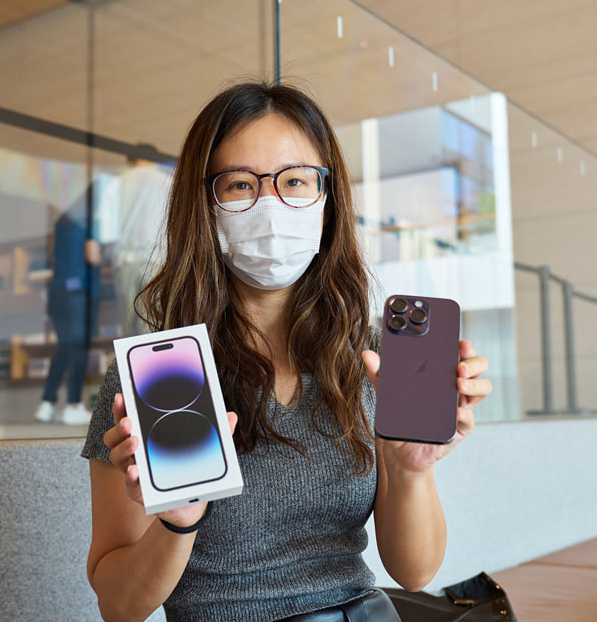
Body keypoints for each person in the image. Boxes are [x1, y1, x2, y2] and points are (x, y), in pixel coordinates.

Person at [80, 81, 492, 621]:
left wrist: (409, 469)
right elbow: (119, 605)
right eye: (239, 185)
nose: (272, 205)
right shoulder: (156, 373)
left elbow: (414, 572)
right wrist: (178, 522)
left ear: (328, 201)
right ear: (204, 205)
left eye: (296, 181)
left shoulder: (369, 358)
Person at [35, 193, 101, 425]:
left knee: (64, 347)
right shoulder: (89, 221)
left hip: (58, 290)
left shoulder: (61, 223)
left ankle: (47, 402)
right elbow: (92, 256)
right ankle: (73, 405)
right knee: (79, 348)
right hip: (78, 291)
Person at [112, 157, 171, 337]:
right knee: (154, 324)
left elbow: (106, 227)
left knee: (129, 328)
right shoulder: (167, 182)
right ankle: (155, 364)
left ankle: (132, 363)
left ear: (130, 160)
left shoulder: (117, 183)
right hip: (158, 259)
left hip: (125, 260)